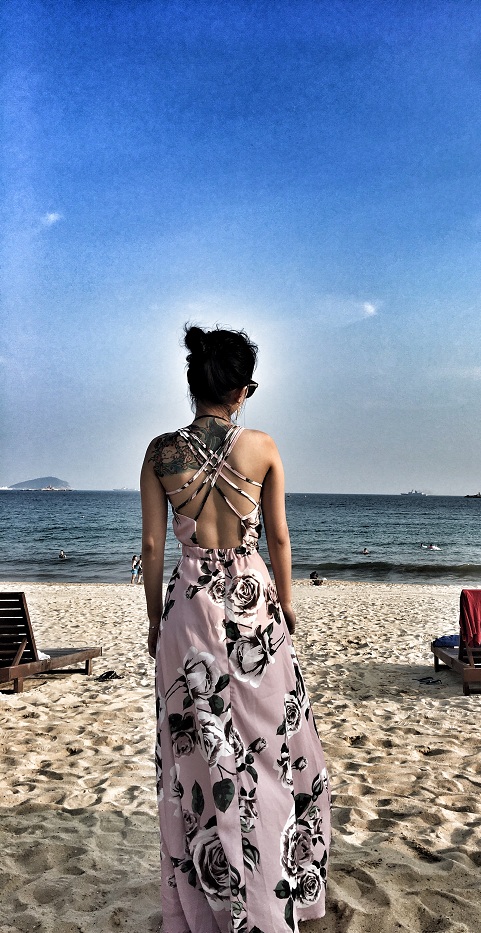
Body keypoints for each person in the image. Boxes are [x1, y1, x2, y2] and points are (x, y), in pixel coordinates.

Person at [140, 324, 330, 933]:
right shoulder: (263, 447)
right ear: (242, 390)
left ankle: (211, 896)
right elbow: (279, 537)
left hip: (189, 610)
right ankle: (276, 885)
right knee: (271, 746)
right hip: (253, 609)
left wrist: (155, 620)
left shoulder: (160, 453)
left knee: (196, 755)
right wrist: (288, 604)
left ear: (193, 383)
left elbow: (152, 547)